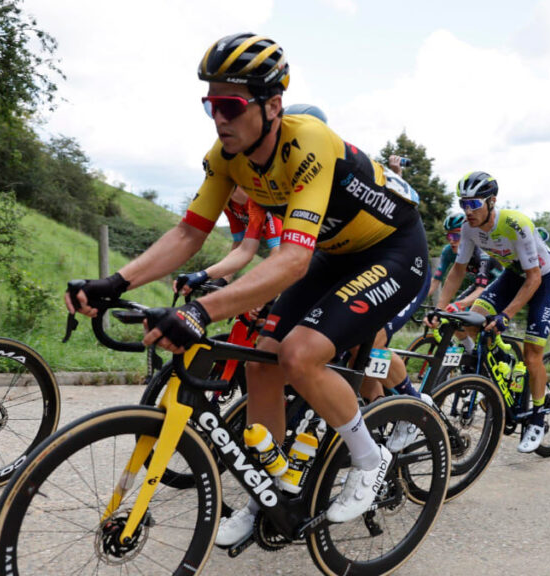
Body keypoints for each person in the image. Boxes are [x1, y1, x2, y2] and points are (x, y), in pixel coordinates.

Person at [65, 34, 428, 545]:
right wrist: (114, 282)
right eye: (210, 105)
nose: (219, 118)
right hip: (334, 253)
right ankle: (271, 497)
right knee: (262, 360)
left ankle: (371, 459)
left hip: (392, 249)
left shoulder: (309, 142)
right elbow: (190, 232)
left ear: (272, 104)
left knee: (301, 355)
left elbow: (292, 259)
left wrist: (199, 311)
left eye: (230, 105)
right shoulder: (225, 157)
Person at [431, 171, 550, 453]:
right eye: (464, 203)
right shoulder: (468, 228)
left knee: (532, 353)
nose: (468, 210)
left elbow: (534, 278)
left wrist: (506, 316)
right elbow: (458, 270)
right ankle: (502, 362)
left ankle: (537, 416)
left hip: (542, 277)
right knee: (474, 319)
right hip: (512, 275)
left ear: (492, 201)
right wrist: (439, 309)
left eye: (474, 204)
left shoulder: (516, 224)